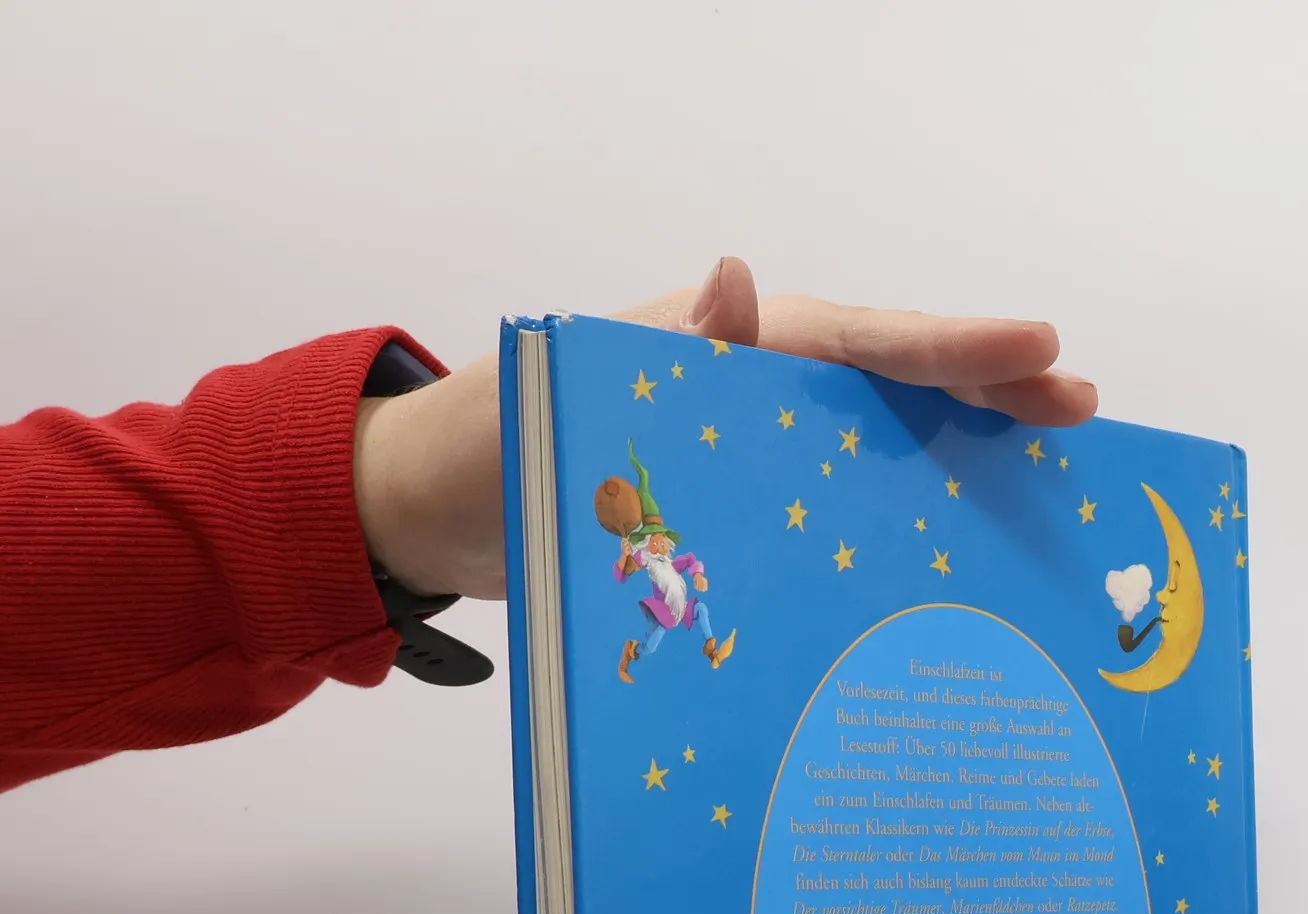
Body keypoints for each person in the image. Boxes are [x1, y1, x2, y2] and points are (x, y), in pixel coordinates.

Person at [0, 257, 1096, 794]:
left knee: (686, 615)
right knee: (672, 622)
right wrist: (379, 491)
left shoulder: (645, 529)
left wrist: (380, 490)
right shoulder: (640, 536)